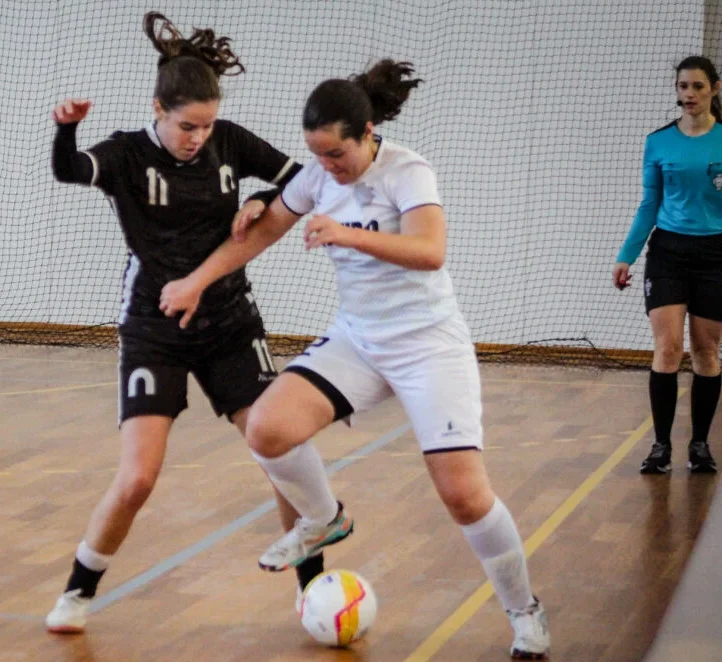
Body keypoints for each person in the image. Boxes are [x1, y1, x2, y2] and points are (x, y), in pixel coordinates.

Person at [159, 59, 550, 659]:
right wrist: (197, 281)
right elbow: (260, 234)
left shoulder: (408, 171)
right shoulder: (317, 178)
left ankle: (524, 612)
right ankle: (324, 518)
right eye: (317, 156)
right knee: (266, 429)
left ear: (367, 135)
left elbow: (430, 251)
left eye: (336, 155)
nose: (326, 169)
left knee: (464, 495)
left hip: (427, 345)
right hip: (360, 340)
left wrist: (349, 235)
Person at [43, 12, 322, 633]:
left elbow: (300, 180)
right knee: (139, 476)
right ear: (158, 110)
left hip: (229, 321)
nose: (198, 137)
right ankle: (79, 590)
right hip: (154, 326)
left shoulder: (229, 141)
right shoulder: (124, 153)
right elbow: (68, 171)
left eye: (207, 125)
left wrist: (258, 198)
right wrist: (67, 128)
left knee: (280, 451)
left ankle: (314, 592)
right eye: (186, 125)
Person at [613, 55, 722, 475]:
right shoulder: (658, 142)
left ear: (714, 88)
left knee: (707, 353)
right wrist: (627, 255)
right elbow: (649, 205)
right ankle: (660, 446)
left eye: (697, 86)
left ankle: (699, 445)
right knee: (668, 348)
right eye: (683, 87)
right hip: (669, 253)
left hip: (715, 255)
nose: (689, 94)